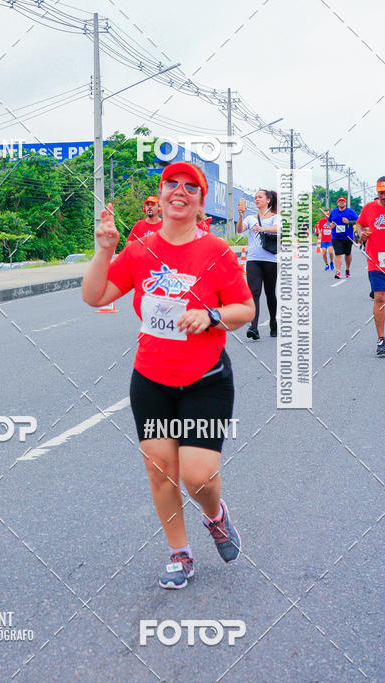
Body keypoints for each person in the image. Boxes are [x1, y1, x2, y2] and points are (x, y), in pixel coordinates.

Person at [82, 162, 255, 589]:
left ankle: (215, 516)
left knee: (198, 476)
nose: (179, 191)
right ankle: (180, 552)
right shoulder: (140, 249)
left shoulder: (217, 252)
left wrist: (210, 315)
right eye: (171, 185)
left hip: (205, 379)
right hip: (152, 380)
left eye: (190, 187)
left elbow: (245, 309)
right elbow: (95, 296)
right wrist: (105, 249)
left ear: (201, 202)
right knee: (161, 472)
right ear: (160, 196)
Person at [236, 190, 280, 340]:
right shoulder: (250, 218)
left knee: (270, 294)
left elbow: (278, 229)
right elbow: (239, 230)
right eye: (255, 198)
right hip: (253, 259)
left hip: (270, 260)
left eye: (260, 197)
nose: (257, 199)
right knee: (254, 292)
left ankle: (273, 321)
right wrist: (241, 216)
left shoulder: (275, 217)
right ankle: (253, 327)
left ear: (268, 200)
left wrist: (263, 229)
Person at [356, 177, 385, 357]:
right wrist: (361, 233)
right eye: (381, 192)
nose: (384, 195)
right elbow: (360, 224)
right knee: (380, 298)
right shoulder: (368, 208)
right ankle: (381, 339)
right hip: (376, 260)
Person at [329, 196, 358, 279]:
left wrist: (349, 222)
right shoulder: (334, 212)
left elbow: (358, 221)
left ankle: (347, 269)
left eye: (343, 202)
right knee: (337, 253)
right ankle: (338, 272)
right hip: (336, 236)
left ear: (345, 203)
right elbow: (328, 222)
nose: (341, 203)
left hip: (347, 236)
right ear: (337, 203)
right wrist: (330, 225)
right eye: (340, 201)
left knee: (347, 253)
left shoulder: (350, 212)